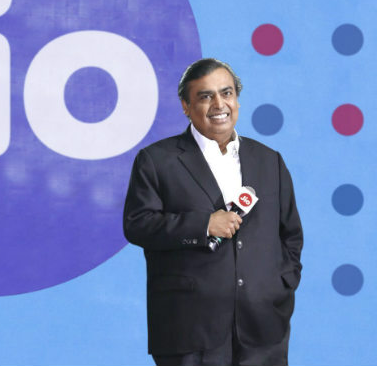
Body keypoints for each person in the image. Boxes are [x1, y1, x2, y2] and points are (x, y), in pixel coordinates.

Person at [123, 58, 303, 366]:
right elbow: (137, 225)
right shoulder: (156, 160)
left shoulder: (269, 160)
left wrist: (280, 284)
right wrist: (204, 225)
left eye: (227, 93)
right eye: (205, 96)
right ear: (186, 105)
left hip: (263, 328)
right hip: (189, 328)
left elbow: (291, 234)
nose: (219, 104)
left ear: (237, 99)